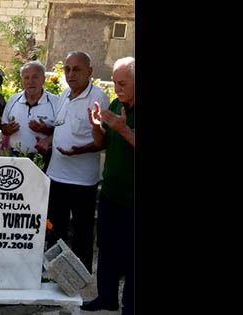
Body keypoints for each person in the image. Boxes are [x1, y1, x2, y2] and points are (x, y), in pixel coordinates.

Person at [36, 51, 110, 273]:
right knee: (55, 230)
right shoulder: (66, 93)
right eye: (67, 69)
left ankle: (80, 279)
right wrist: (48, 140)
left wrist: (81, 150)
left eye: (77, 69)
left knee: (82, 233)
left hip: (82, 181)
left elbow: (104, 141)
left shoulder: (98, 97)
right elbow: (61, 127)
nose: (70, 74)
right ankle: (53, 275)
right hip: (56, 175)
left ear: (90, 71)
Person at [81, 57, 135, 315]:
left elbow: (125, 136)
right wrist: (95, 128)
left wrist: (125, 130)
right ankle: (106, 297)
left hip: (133, 200)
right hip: (111, 194)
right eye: (114, 82)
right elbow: (103, 143)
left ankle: (130, 306)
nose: (117, 88)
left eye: (122, 83)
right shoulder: (116, 104)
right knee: (107, 247)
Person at [1, 60, 59, 170]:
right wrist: (8, 129)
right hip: (14, 158)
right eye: (26, 78)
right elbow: (4, 128)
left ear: (43, 79)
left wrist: (46, 130)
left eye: (35, 77)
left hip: (43, 159)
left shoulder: (55, 102)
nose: (30, 81)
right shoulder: (13, 99)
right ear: (22, 80)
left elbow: (62, 132)